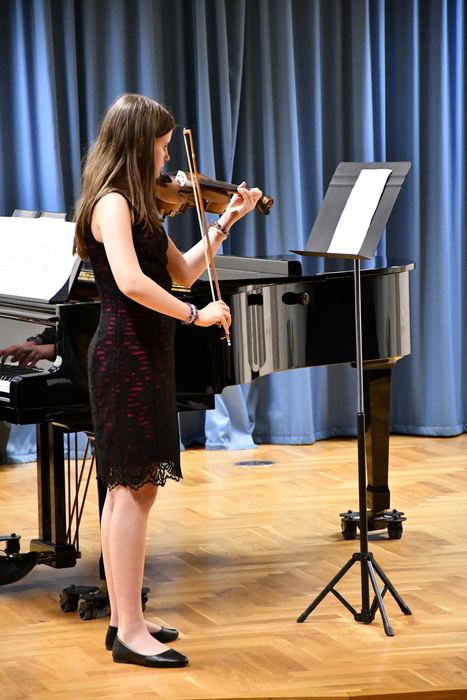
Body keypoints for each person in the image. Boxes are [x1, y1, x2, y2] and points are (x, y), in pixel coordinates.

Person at [73, 93, 262, 668]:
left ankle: (123, 616)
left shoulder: (137, 205)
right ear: (137, 146)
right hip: (125, 357)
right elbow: (132, 283)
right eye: (160, 147)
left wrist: (225, 222)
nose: (166, 159)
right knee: (134, 489)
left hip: (144, 357)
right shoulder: (111, 203)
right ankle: (130, 631)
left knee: (128, 489)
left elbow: (180, 271)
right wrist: (195, 315)